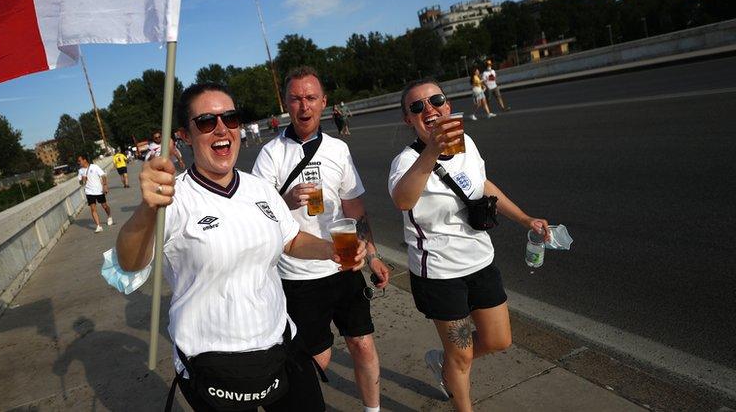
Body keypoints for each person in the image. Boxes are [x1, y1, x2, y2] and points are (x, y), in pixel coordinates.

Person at [115, 82, 366, 411]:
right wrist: (146, 209)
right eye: (207, 121)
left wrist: (329, 250)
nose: (222, 128)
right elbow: (129, 264)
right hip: (212, 361)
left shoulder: (259, 189)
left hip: (279, 345)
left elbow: (290, 238)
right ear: (185, 136)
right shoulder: (171, 199)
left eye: (230, 118)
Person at [388, 77, 551, 412]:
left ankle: (443, 361)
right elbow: (403, 200)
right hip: (439, 272)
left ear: (447, 105)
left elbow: (483, 185)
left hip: (480, 261)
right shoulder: (406, 162)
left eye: (436, 100)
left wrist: (524, 219)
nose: (429, 109)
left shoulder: (467, 142)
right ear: (408, 119)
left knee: (499, 340)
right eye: (417, 107)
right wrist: (432, 150)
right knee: (461, 354)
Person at [253, 67, 389, 412]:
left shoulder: (338, 150)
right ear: (286, 103)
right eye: (296, 98)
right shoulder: (271, 154)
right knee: (317, 360)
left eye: (311, 98)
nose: (304, 106)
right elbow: (256, 217)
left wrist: (371, 256)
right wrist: (284, 201)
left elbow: (355, 209)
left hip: (343, 266)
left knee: (362, 342)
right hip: (298, 276)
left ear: (324, 102)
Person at [78, 155, 114, 233]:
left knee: (104, 206)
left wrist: (104, 185)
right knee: (93, 208)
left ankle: (109, 216)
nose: (79, 163)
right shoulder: (80, 171)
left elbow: (103, 175)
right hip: (89, 192)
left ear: (85, 160)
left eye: (79, 161)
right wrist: (82, 180)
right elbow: (80, 183)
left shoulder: (94, 167)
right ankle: (98, 226)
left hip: (99, 190)